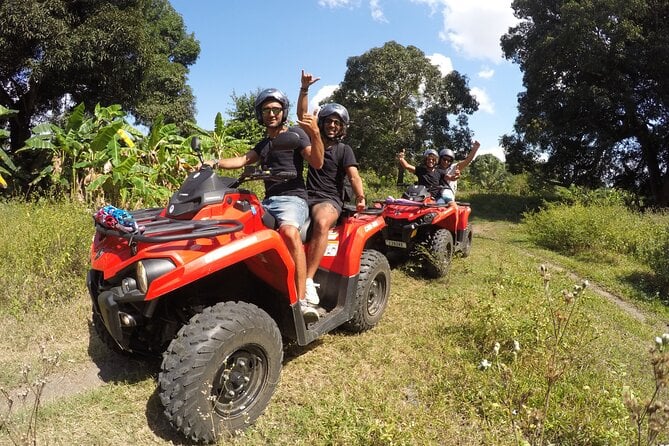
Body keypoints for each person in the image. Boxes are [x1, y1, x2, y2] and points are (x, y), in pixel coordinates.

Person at [205, 88, 324, 321]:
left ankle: (301, 301)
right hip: (268, 201)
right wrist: (214, 162)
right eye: (266, 110)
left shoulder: (296, 135)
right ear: (261, 115)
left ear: (283, 112)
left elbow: (317, 162)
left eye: (275, 110)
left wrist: (316, 133)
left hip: (293, 199)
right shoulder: (263, 145)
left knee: (289, 232)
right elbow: (242, 160)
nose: (271, 114)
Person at [298, 70, 366, 307]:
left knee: (322, 222)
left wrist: (360, 196)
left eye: (337, 123)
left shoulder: (344, 150)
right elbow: (302, 115)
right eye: (329, 121)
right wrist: (305, 89)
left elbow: (354, 176)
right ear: (322, 123)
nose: (333, 126)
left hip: (329, 200)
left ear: (342, 127)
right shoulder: (311, 141)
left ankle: (307, 280)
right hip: (304, 196)